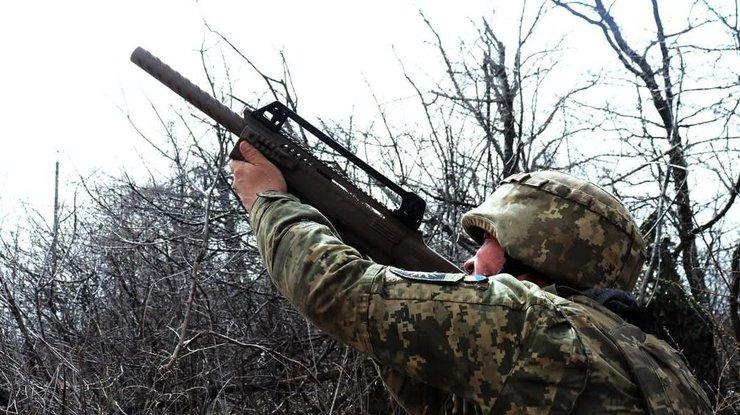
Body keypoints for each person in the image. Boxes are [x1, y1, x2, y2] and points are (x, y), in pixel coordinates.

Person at [231, 141, 711, 414]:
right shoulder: (652, 357)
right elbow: (446, 402)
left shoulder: (529, 324)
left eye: (485, 244)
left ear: (531, 250)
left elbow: (331, 289)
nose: (468, 262)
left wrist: (268, 202)